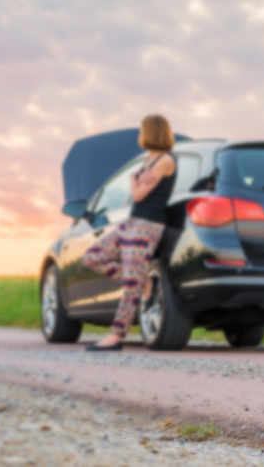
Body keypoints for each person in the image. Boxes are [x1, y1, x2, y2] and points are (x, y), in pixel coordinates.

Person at [81, 115, 178, 351]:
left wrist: (134, 180)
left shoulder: (165, 160)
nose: (139, 135)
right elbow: (136, 186)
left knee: (130, 282)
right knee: (93, 256)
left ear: (150, 133)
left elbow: (137, 194)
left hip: (148, 226)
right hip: (132, 221)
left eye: (142, 130)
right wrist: (136, 178)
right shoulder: (149, 159)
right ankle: (144, 282)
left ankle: (116, 336)